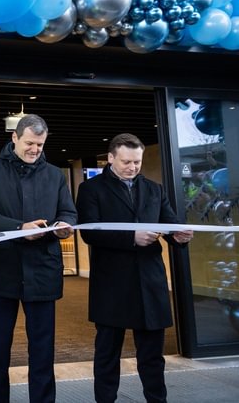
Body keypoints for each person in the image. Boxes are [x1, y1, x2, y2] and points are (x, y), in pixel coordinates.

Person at [76, 133, 194, 403]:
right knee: (107, 353)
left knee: (153, 355)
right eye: (126, 161)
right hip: (112, 283)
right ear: (110, 158)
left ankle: (157, 399)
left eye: (137, 162)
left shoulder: (155, 189)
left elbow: (169, 223)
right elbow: (90, 233)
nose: (132, 167)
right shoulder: (91, 189)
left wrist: (179, 237)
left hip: (149, 281)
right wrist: (132, 238)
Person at [0, 114, 76, 403]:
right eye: (30, 143)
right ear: (14, 138)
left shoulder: (54, 174)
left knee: (43, 350)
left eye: (40, 145)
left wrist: (63, 227)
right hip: (0, 272)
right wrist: (19, 229)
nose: (35, 150)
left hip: (43, 271)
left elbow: (68, 211)